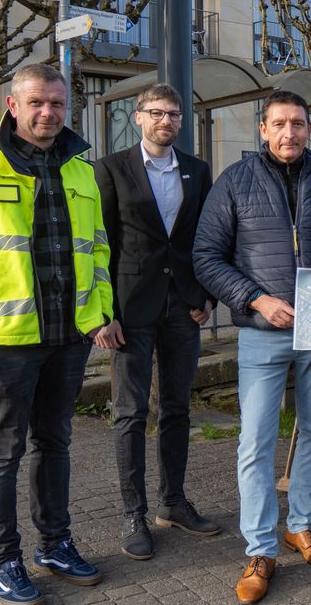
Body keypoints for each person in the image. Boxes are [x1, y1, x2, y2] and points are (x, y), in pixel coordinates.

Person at [193, 90, 311, 605]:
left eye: (298, 123)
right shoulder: (234, 183)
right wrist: (256, 299)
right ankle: (261, 547)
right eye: (279, 124)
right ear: (262, 129)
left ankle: (303, 525)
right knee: (256, 442)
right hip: (262, 332)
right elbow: (206, 256)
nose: (289, 133)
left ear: (310, 129)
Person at [0, 64, 114, 604]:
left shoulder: (80, 169)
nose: (48, 113)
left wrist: (101, 315)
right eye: (36, 103)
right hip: (6, 339)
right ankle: (2, 560)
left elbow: (97, 251)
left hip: (68, 335)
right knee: (2, 451)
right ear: (11, 104)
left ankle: (54, 542)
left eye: (57, 104)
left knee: (56, 442)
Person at [94, 83, 220, 561]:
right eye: (157, 113)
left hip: (183, 307)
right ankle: (134, 513)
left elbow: (205, 239)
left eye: (174, 114)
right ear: (138, 116)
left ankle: (174, 502)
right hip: (130, 309)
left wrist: (203, 294)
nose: (166, 121)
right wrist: (103, 314)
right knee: (129, 413)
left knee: (177, 408)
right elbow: (100, 243)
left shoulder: (197, 170)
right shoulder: (111, 169)